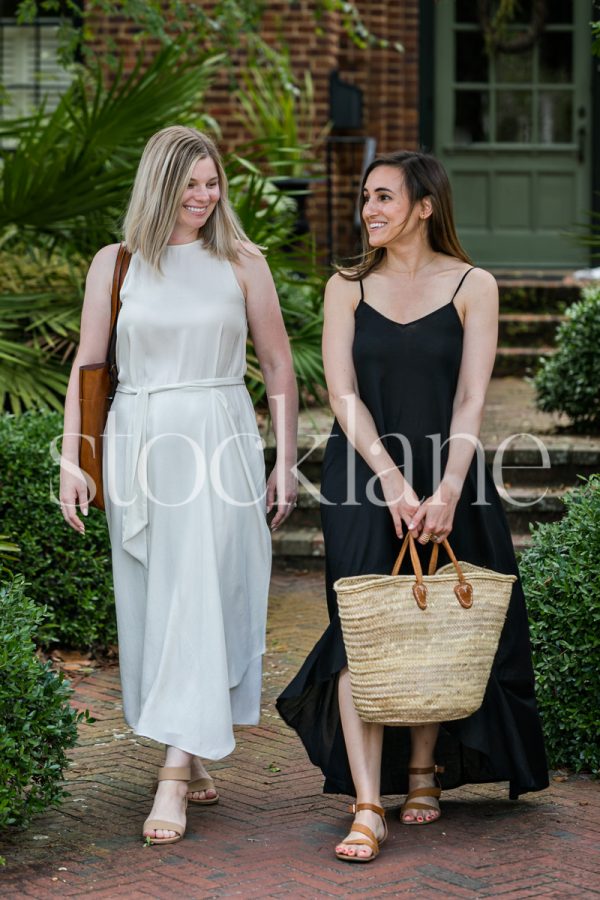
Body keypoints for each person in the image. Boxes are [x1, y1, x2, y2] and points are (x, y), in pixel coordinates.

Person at [276, 151, 548, 863]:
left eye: (385, 197)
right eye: (366, 197)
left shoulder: (472, 284)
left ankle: (424, 769)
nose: (370, 209)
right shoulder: (346, 286)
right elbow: (342, 393)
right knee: (360, 623)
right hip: (363, 471)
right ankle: (368, 804)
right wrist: (394, 483)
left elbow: (470, 398)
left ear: (425, 206)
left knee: (432, 615)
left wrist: (449, 489)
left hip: (449, 467)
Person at [60, 126, 298, 845]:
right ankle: (187, 746)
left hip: (219, 435)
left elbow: (280, 369)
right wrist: (73, 457)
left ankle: (172, 774)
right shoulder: (117, 263)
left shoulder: (243, 263)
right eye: (189, 183)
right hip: (140, 444)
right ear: (160, 186)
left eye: (212, 181)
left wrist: (284, 460)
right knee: (153, 603)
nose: (204, 196)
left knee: (204, 591)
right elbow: (88, 365)